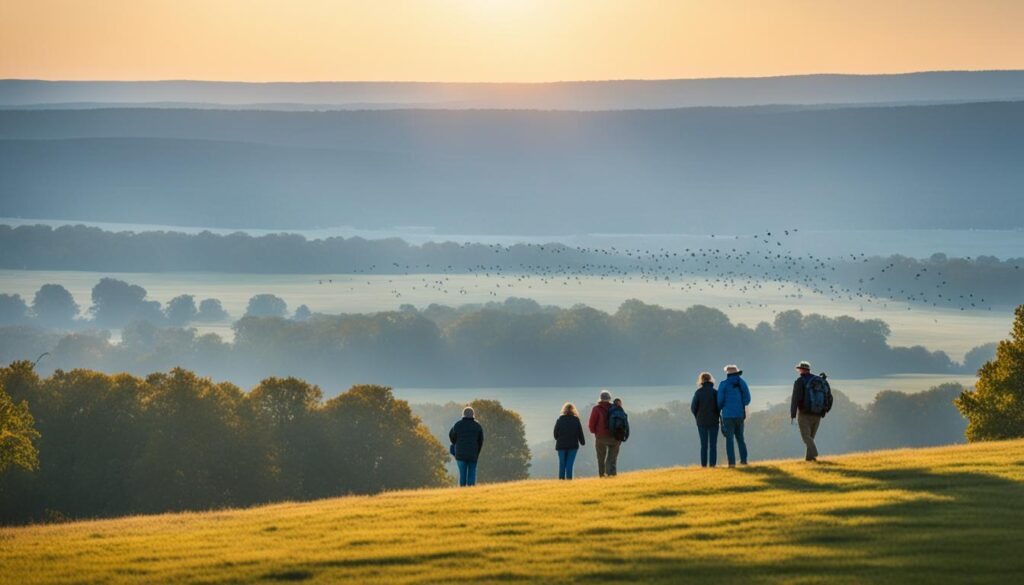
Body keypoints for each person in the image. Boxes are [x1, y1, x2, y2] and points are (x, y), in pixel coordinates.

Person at [790, 360, 833, 462]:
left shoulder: (799, 381)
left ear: (800, 369)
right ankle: (810, 460)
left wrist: (793, 415)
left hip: (804, 414)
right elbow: (829, 397)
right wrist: (825, 410)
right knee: (811, 438)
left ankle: (814, 453)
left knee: (806, 437)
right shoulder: (819, 380)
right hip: (818, 414)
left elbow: (795, 399)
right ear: (809, 370)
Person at [717, 364, 751, 467]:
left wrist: (722, 407)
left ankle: (731, 463)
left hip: (727, 416)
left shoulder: (723, 384)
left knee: (729, 440)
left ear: (727, 373)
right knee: (740, 438)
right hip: (740, 415)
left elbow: (719, 401)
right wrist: (740, 404)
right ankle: (744, 460)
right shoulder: (742, 383)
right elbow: (747, 399)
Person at [588, 390, 621, 477]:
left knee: (601, 458)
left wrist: (595, 432)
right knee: (612, 458)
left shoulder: (596, 409)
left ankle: (602, 476)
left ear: (600, 398)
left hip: (601, 437)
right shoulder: (615, 408)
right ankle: (612, 475)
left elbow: (591, 424)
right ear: (610, 399)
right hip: (615, 437)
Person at [449, 406, 484, 487]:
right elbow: (480, 441)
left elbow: (451, 436)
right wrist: (477, 453)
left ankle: (462, 491)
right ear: (473, 415)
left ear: (463, 414)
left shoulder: (457, 425)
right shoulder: (477, 426)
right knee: (472, 474)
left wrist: (456, 445)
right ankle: (471, 491)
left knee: (462, 474)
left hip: (460, 454)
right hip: (473, 454)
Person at [690, 372, 720, 467]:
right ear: (711, 380)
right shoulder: (715, 392)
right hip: (714, 421)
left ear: (701, 380)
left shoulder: (698, 392)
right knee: (713, 445)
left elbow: (693, 408)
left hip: (701, 422)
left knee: (703, 445)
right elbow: (719, 406)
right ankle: (712, 465)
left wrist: (697, 416)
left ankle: (703, 465)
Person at [553, 402, 586, 480]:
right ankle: (569, 481)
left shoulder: (560, 419)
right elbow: (580, 432)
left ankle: (561, 481)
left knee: (562, 464)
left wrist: (559, 438)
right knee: (569, 464)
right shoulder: (576, 420)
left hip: (561, 446)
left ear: (564, 410)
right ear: (573, 410)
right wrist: (582, 442)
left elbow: (555, 434)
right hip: (573, 446)